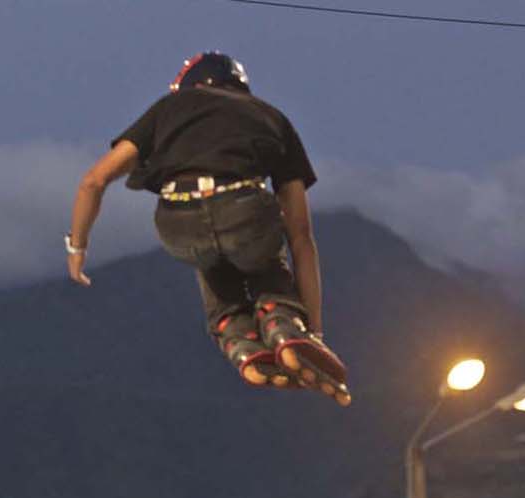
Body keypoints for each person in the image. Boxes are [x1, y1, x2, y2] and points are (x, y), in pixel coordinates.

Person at [66, 52, 350, 405]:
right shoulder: (272, 117)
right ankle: (281, 320)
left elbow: (93, 181)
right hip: (244, 212)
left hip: (177, 224)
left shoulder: (168, 108)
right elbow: (301, 237)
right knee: (258, 246)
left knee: (209, 253)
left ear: (188, 85)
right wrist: (314, 330)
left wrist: (77, 248)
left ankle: (238, 337)